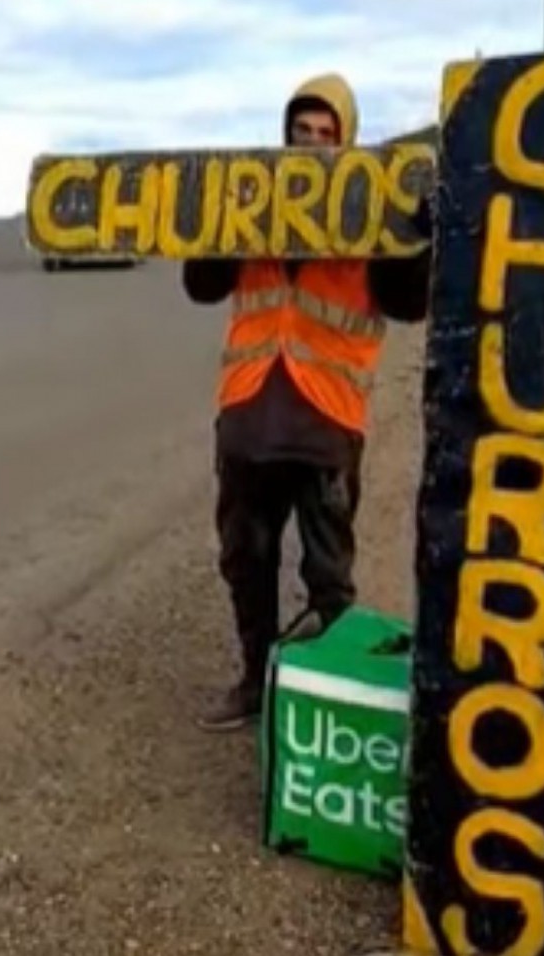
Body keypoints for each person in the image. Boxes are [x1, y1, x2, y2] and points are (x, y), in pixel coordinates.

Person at [182, 73, 431, 731]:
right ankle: (255, 681)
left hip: (325, 422)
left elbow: (410, 303)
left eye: (327, 135)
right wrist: (215, 221)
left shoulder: (373, 214)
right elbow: (201, 286)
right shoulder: (253, 204)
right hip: (248, 416)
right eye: (302, 132)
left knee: (329, 574)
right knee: (246, 560)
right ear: (285, 137)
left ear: (345, 143)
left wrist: (414, 238)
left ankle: (338, 698)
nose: (313, 146)